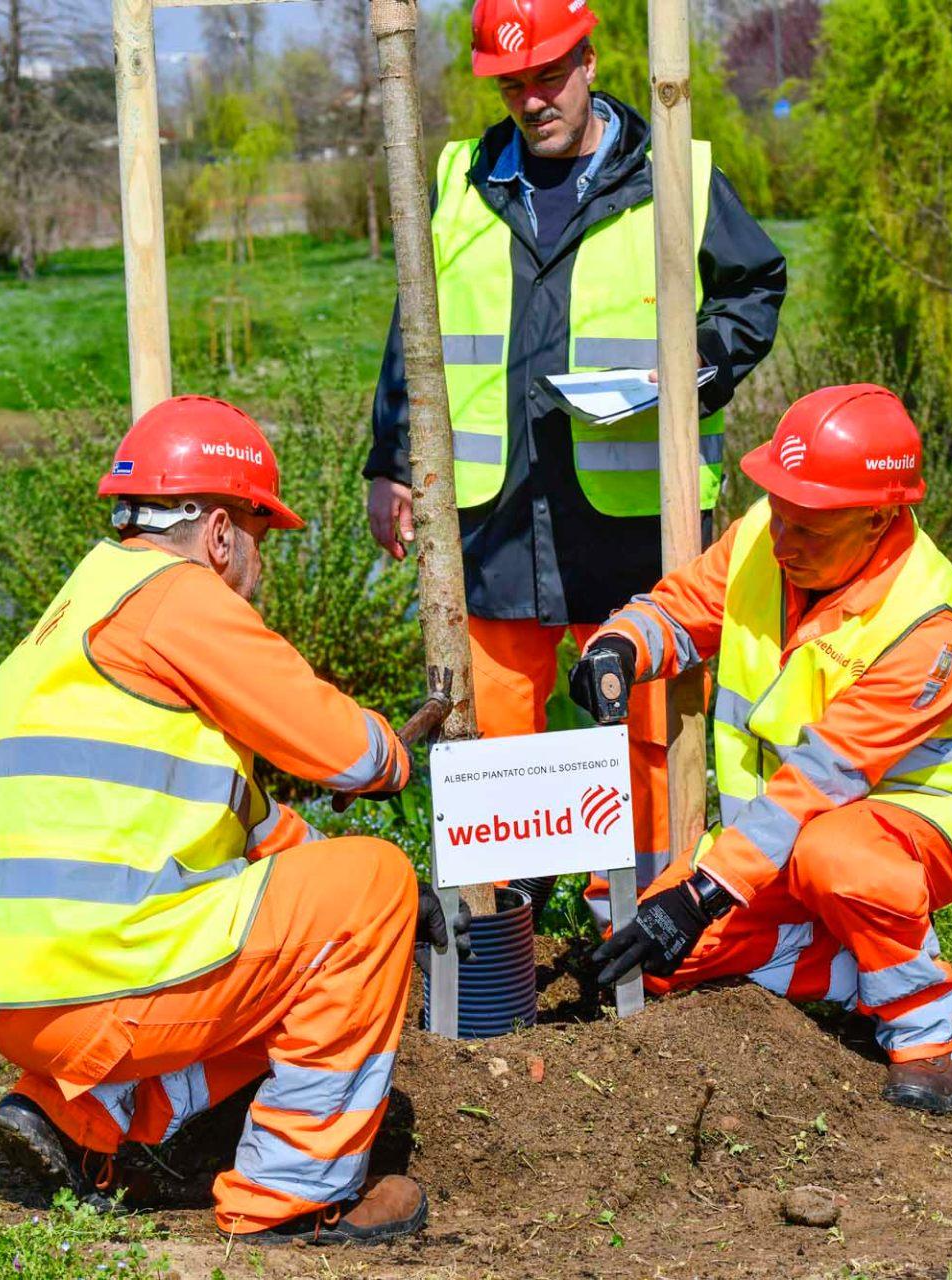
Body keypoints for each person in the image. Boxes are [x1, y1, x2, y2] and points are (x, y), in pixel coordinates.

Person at [0, 395, 467, 1242]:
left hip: (11, 988)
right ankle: (292, 1198)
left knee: (315, 936)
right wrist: (396, 761)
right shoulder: (180, 599)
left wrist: (365, 896)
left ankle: (76, 1119)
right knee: (375, 883)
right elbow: (345, 750)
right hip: (99, 980)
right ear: (220, 534)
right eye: (259, 536)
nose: (260, 565)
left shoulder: (79, 610)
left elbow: (248, 825)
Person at [365, 0, 785, 914]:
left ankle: (640, 918)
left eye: (549, 76)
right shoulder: (458, 183)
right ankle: (505, 923)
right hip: (494, 512)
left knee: (640, 719)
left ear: (589, 62)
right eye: (512, 84)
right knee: (494, 729)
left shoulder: (675, 170)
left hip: (632, 514)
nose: (532, 99)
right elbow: (415, 329)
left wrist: (697, 367)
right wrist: (388, 462)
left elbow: (755, 287)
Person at [569, 385, 952, 1115]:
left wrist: (701, 892)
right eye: (778, 512)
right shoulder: (764, 534)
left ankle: (925, 1027)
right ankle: (855, 965)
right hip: (781, 831)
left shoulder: (930, 628)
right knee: (655, 961)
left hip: (912, 820)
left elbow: (821, 777)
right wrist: (620, 644)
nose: (782, 541)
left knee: (837, 856)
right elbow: (681, 610)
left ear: (878, 517)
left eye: (808, 528)